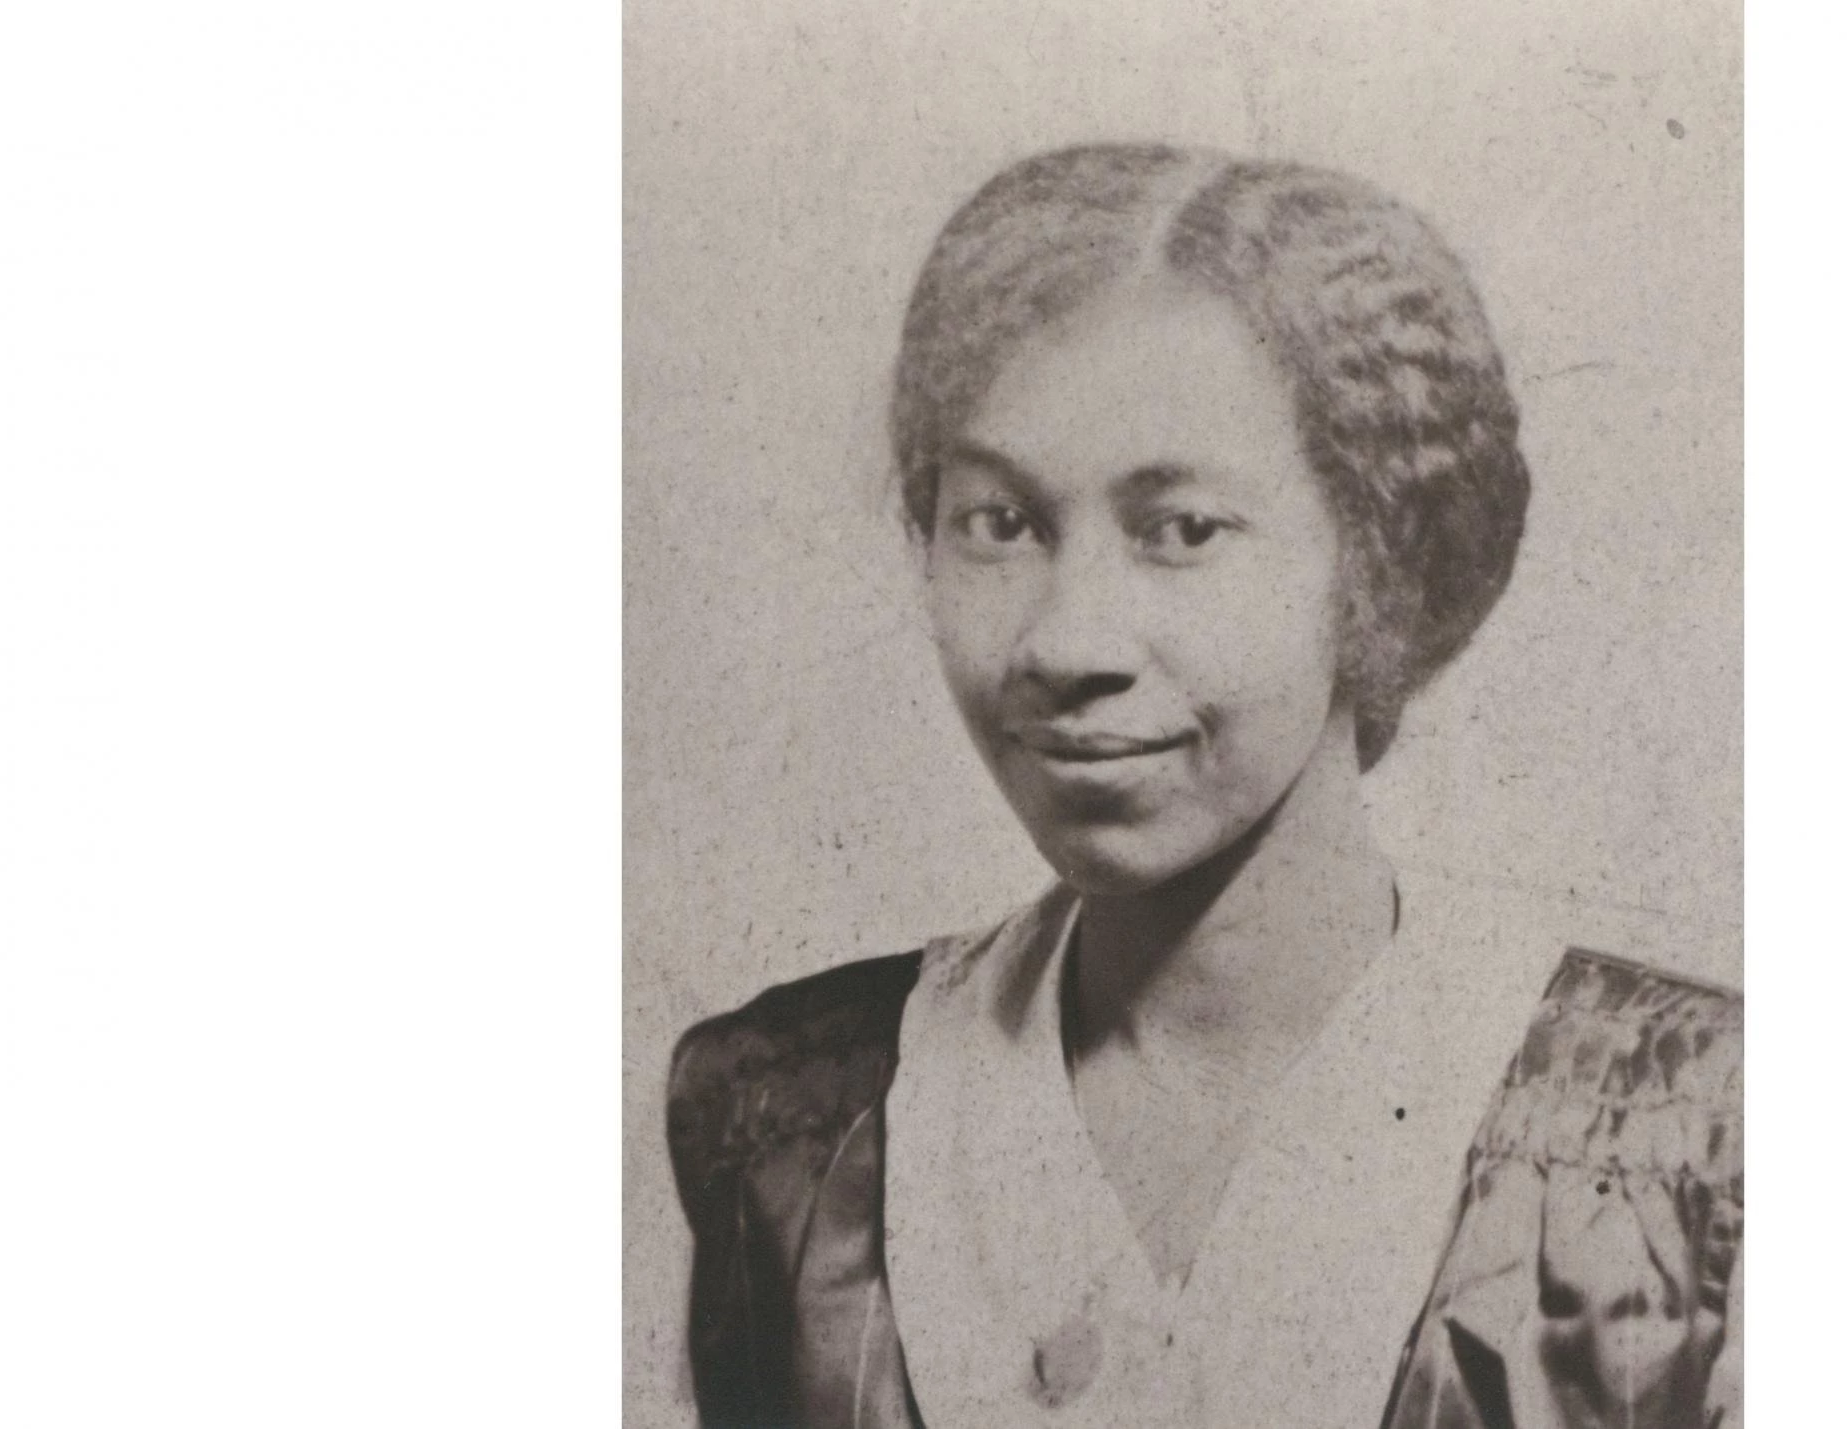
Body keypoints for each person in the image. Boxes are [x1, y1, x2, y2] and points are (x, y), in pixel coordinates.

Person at [666, 142, 1743, 1429]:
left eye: (1181, 530)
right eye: (1000, 522)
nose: (1067, 642)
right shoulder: (780, 1129)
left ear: (1379, 564)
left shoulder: (1697, 1149)